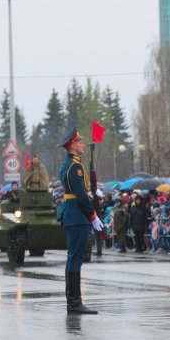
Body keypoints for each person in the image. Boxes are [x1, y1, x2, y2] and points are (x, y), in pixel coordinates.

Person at [56, 128, 104, 314]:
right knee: (75, 258)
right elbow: (80, 195)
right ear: (73, 146)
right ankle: (74, 303)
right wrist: (92, 215)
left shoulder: (68, 164)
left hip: (73, 214)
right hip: (77, 216)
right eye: (80, 142)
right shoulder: (74, 167)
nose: (83, 144)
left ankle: (73, 302)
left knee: (73, 258)